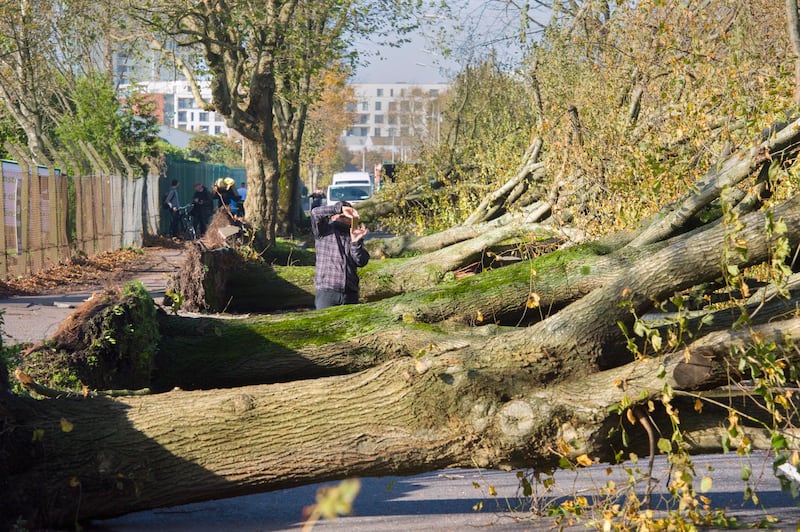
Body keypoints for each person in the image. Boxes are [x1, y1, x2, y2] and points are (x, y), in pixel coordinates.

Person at [311, 201, 369, 309]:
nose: (345, 219)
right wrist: (340, 209)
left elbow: (361, 261)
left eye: (348, 217)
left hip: (350, 292)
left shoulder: (353, 234)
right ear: (333, 217)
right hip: (327, 291)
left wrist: (356, 242)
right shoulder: (324, 231)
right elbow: (315, 213)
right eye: (342, 216)